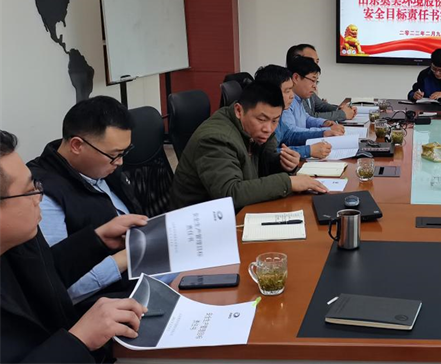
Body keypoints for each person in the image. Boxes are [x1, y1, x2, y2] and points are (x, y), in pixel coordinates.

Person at [0, 130, 150, 364]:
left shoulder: (21, 238)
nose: (38, 197)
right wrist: (79, 339)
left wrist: (98, 240)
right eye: (29, 191)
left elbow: (44, 276)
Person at [28, 96, 142, 305]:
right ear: (77, 145)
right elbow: (59, 287)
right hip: (107, 302)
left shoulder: (104, 169)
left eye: (124, 152)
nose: (120, 162)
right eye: (114, 154)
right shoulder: (43, 195)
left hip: (141, 274)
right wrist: (126, 258)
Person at [170, 81, 328, 211]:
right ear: (239, 111)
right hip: (200, 226)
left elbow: (262, 165)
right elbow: (230, 193)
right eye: (262, 119)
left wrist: (284, 164)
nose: (268, 128)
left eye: (275, 121)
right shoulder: (216, 139)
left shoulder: (254, 130)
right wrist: (289, 182)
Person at [254, 64, 332, 160]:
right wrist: (308, 150)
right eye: (287, 91)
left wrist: (323, 134)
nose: (292, 96)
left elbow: (290, 136)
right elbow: (268, 154)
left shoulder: (278, 114)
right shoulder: (261, 120)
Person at [286, 44, 355, 122]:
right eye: (311, 60)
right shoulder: (291, 95)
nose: (315, 64)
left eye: (317, 61)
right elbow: (310, 117)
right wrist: (342, 114)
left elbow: (321, 106)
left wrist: (341, 109)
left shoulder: (305, 88)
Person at [282, 57, 345, 137]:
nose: (315, 86)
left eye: (316, 82)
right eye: (312, 80)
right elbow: (291, 132)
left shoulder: (299, 99)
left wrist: (324, 123)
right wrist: (325, 130)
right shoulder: (287, 101)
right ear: (296, 78)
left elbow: (306, 118)